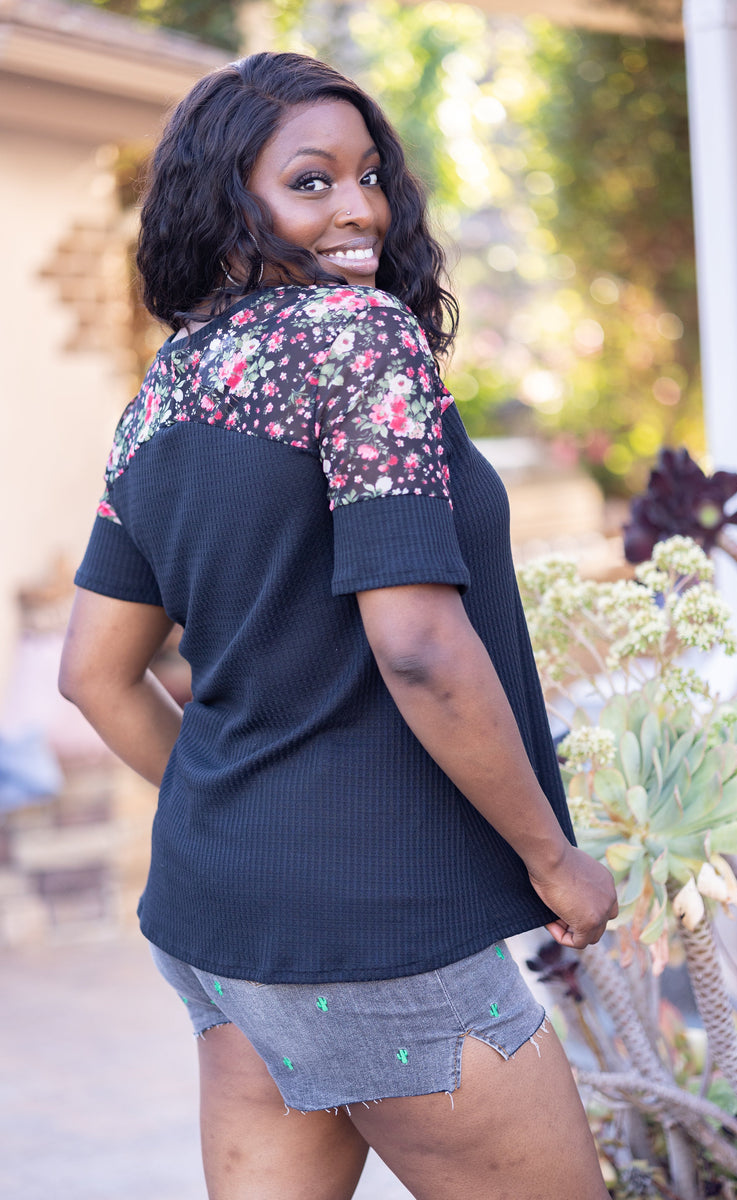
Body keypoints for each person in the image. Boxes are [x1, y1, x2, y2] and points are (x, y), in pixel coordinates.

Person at [59, 51, 617, 1200]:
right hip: (374, 934)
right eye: (310, 181)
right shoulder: (360, 341)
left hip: (217, 919)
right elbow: (414, 644)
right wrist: (552, 862)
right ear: (226, 205)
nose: (359, 206)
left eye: (368, 175)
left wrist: (243, 816)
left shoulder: (163, 395)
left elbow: (95, 678)